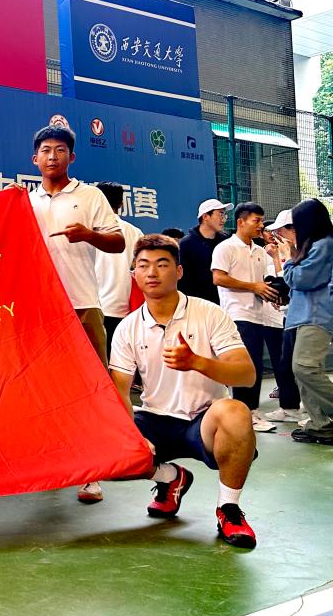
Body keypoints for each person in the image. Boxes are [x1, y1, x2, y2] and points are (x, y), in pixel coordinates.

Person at [110, 234, 258, 549]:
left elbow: (246, 375)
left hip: (204, 420)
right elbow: (119, 391)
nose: (152, 272)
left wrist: (197, 362)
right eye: (143, 265)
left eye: (162, 264)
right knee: (104, 447)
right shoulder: (127, 328)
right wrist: (131, 437)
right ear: (134, 274)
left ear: (178, 271)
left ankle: (228, 508)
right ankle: (170, 477)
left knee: (235, 412)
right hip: (155, 419)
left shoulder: (210, 313)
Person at [25, 125, 124, 505]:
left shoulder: (90, 195)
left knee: (91, 387)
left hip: (83, 303)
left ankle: (92, 471)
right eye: (46, 150)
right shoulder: (25, 202)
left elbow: (117, 242)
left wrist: (89, 235)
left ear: (72, 156)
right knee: (44, 389)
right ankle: (50, 463)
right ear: (35, 158)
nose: (53, 156)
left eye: (60, 150)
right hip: (39, 308)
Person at [211, 202, 279, 432]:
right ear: (241, 222)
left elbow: (263, 283)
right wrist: (253, 287)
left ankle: (251, 410)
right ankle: (245, 412)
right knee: (245, 366)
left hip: (259, 315)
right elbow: (218, 278)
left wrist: (271, 293)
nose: (261, 225)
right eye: (256, 220)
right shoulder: (225, 248)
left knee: (255, 365)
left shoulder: (260, 251)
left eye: (261, 221)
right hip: (237, 315)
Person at [281, 199, 333, 445]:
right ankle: (320, 425)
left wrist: (287, 259)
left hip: (316, 315)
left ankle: (323, 421)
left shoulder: (324, 245)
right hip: (304, 315)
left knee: (305, 367)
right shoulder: (316, 246)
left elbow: (302, 279)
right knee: (302, 372)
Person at [261, 210, 304, 423]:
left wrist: (282, 257)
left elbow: (293, 280)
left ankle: (318, 410)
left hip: (306, 317)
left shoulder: (310, 250)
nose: (276, 235)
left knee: (303, 367)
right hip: (291, 315)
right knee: (290, 365)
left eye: (280, 231)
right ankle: (293, 408)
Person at [94, 181, 144, 355]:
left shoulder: (87, 231)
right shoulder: (135, 232)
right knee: (119, 364)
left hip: (93, 309)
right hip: (122, 310)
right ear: (122, 204)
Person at [178, 199, 232, 304]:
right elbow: (182, 280)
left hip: (224, 304)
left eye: (224, 215)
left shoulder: (226, 242)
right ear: (205, 216)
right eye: (220, 214)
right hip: (196, 304)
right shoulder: (186, 244)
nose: (224, 219)